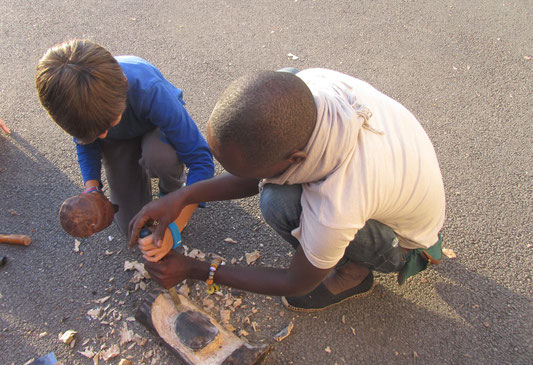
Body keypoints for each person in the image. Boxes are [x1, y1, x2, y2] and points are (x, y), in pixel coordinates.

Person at [129, 68, 446, 312]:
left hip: (404, 245)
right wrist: (182, 196)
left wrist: (196, 269)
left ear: (296, 160)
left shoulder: (339, 199)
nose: (235, 174)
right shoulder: (303, 86)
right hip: (400, 177)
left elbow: (295, 282)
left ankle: (355, 275)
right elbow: (254, 175)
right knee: (275, 191)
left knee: (277, 202)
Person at [36, 39, 215, 257]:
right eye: (93, 132)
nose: (101, 136)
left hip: (153, 128)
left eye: (105, 126)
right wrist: (91, 190)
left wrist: (174, 225)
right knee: (131, 223)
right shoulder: (74, 107)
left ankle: (171, 192)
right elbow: (86, 144)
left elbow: (201, 160)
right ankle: (149, 196)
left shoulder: (151, 91)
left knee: (161, 157)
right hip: (119, 139)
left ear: (123, 83)